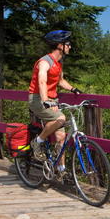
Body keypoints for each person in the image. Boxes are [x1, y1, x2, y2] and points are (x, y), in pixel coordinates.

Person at [28, 30, 82, 174]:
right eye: (68, 44)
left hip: (51, 100)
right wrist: (46, 100)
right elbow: (42, 81)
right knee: (61, 118)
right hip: (37, 99)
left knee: (61, 137)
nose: (70, 47)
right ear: (60, 45)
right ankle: (37, 142)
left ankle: (60, 170)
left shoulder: (59, 63)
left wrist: (73, 89)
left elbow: (60, 81)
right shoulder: (45, 62)